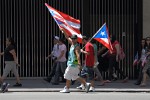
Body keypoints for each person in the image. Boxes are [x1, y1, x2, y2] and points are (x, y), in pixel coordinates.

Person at [59, 29, 90, 93]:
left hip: (73, 64)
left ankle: (67, 88)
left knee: (67, 75)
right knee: (75, 77)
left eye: (74, 39)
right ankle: (86, 84)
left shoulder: (76, 47)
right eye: (72, 39)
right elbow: (67, 37)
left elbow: (78, 56)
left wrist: (79, 64)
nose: (72, 40)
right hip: (73, 64)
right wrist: (64, 30)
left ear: (76, 39)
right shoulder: (72, 44)